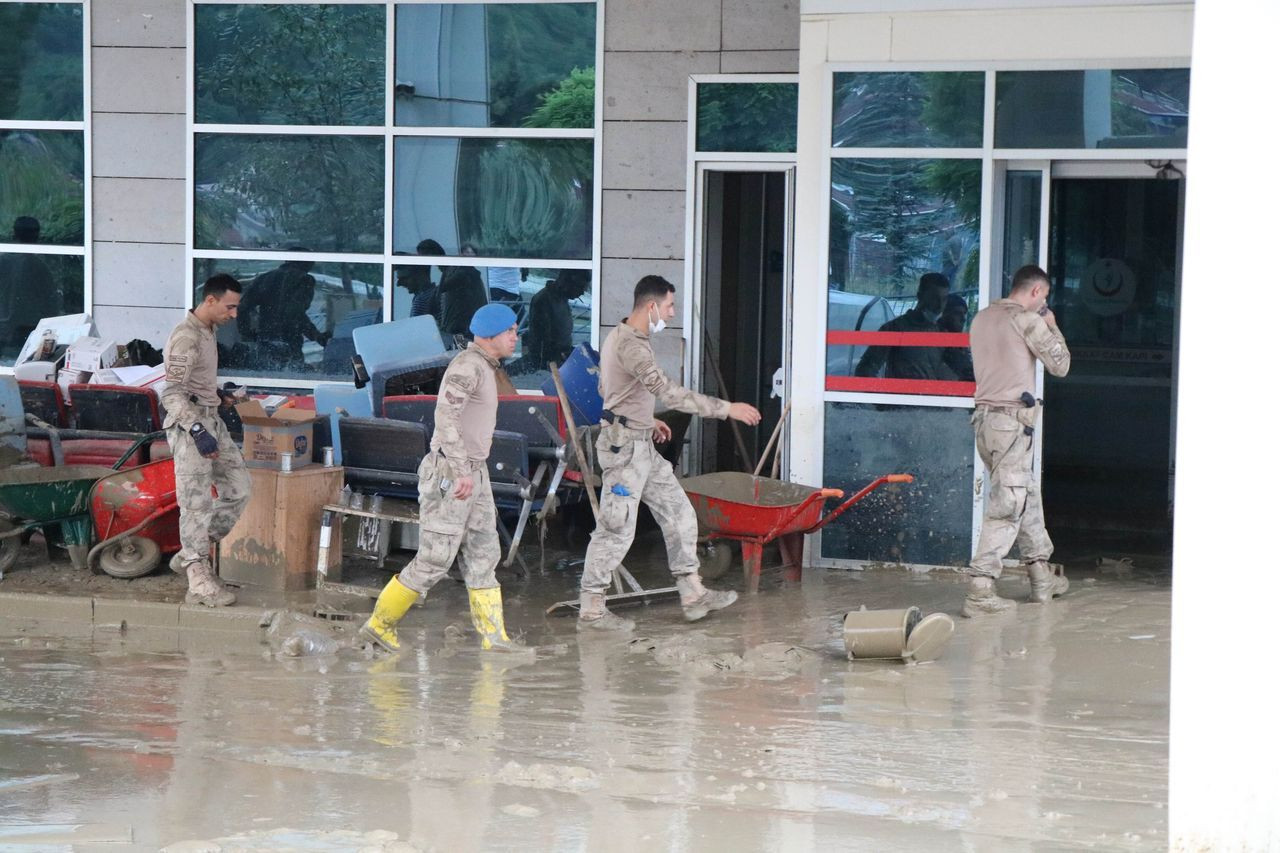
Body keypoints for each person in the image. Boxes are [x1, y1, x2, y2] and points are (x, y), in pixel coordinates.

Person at [578, 275, 762, 631]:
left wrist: (647, 420)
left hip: (640, 442)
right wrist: (728, 409)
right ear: (651, 307)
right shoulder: (631, 345)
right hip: (624, 451)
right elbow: (670, 394)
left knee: (679, 513)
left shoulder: (623, 336)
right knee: (616, 530)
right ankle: (591, 609)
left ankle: (693, 595)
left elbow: (608, 387)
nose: (671, 313)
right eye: (669, 306)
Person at [360, 303, 524, 653]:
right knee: (435, 558)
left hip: (473, 471)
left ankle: (494, 639)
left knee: (484, 554)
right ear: (492, 333)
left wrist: (471, 471)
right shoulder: (467, 366)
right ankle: (379, 625)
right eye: (510, 330)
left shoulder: (485, 366)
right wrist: (462, 470)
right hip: (452, 472)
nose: (515, 336)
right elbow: (445, 416)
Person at [962, 264, 1072, 617]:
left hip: (984, 422)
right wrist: (1051, 324)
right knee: (1007, 505)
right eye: (1044, 297)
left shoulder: (981, 319)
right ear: (1037, 292)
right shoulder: (1026, 320)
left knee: (1025, 492)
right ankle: (980, 589)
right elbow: (1061, 365)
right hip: (1011, 423)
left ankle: (1041, 576)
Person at [160, 274, 252, 608]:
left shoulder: (208, 331)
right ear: (210, 301)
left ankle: (189, 555)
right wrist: (197, 431)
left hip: (212, 419)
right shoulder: (186, 337)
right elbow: (171, 394)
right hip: (191, 428)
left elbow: (196, 384)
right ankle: (198, 577)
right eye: (230, 306)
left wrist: (219, 396)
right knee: (195, 502)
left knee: (240, 489)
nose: (234, 314)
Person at [854, 272, 956, 381]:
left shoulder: (941, 332)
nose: (940, 306)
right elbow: (864, 371)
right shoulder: (894, 330)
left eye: (944, 299)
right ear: (920, 296)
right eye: (934, 298)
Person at [236, 256, 331, 369]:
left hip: (265, 340)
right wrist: (316, 335)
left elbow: (242, 307)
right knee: (291, 379)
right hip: (289, 341)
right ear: (307, 263)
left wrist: (247, 333)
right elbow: (295, 313)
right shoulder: (305, 279)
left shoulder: (265, 278)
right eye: (311, 262)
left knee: (265, 377)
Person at [0, 217, 57, 355]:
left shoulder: (4, 261)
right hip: (27, 327)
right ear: (37, 237)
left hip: (11, 326)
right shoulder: (40, 267)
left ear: (13, 234)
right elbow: (51, 303)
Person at [523, 269, 589, 371]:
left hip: (560, 360)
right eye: (580, 287)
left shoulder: (561, 299)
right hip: (548, 365)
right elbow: (541, 341)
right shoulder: (543, 300)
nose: (582, 293)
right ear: (567, 282)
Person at [438, 244, 488, 341]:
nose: (469, 256)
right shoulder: (466, 272)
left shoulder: (466, 273)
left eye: (471, 253)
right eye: (466, 253)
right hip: (463, 323)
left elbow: (443, 287)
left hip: (463, 324)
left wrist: (446, 269)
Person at [940, 292, 975, 382]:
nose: (963, 319)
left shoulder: (958, 342)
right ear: (945, 314)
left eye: (964, 314)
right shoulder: (938, 342)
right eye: (958, 313)